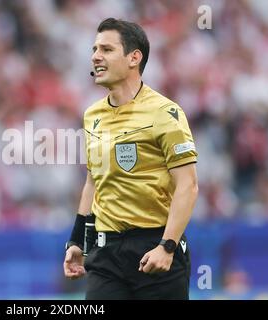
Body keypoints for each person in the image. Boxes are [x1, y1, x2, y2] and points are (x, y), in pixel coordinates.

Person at [63, 18, 199, 300]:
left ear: (134, 57)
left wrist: (168, 246)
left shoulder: (165, 113)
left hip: (155, 249)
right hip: (106, 256)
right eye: (94, 49)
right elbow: (93, 181)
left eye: (106, 49)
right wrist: (77, 240)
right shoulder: (92, 115)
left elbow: (188, 185)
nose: (95, 56)